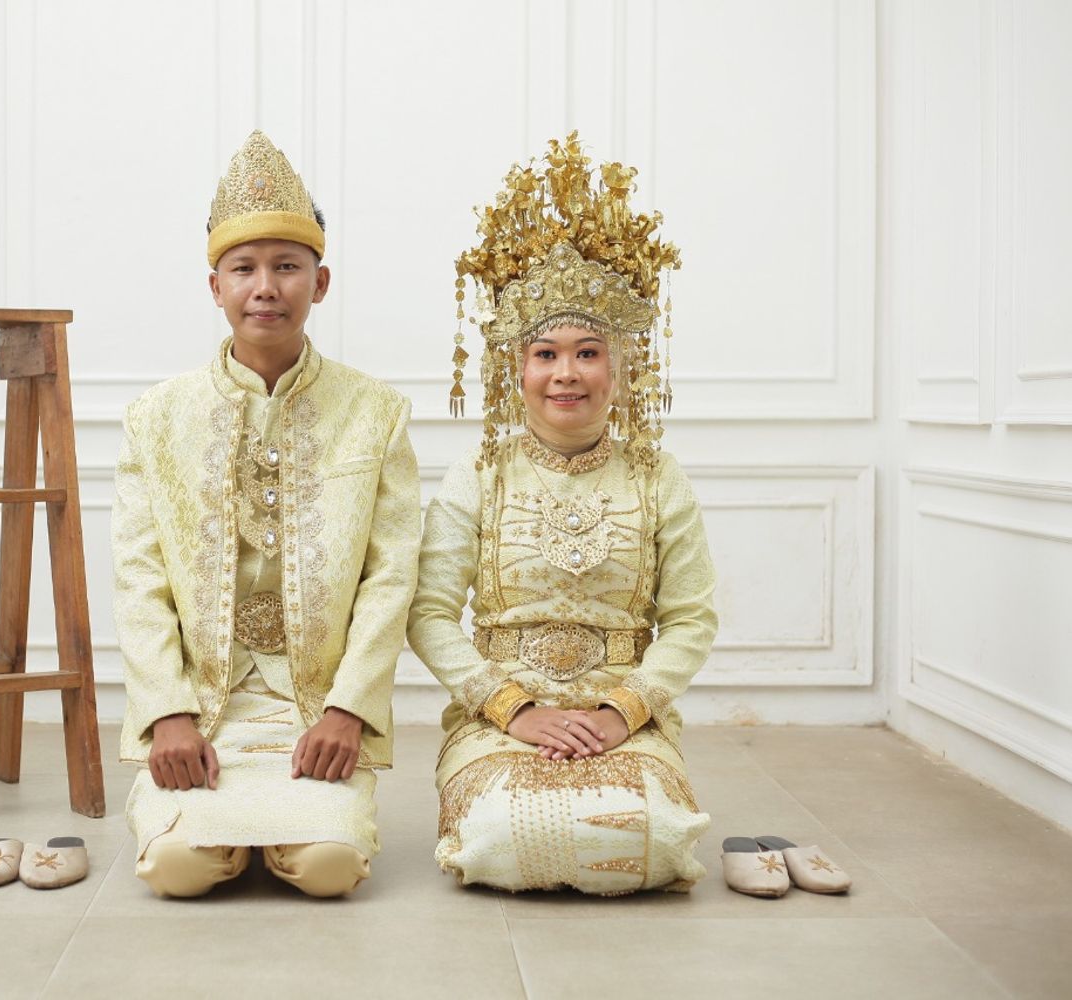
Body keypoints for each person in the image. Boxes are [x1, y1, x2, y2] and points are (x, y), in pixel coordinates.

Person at [112, 131, 420, 898]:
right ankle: (224, 822)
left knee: (327, 869)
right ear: (214, 286)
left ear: (321, 282)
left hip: (317, 706)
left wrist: (348, 711)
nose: (265, 288)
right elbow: (138, 580)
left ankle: (293, 823)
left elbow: (391, 577)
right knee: (178, 870)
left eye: (287, 266)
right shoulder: (156, 418)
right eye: (244, 268)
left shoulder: (374, 412)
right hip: (204, 707)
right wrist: (168, 715)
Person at [407, 134, 715, 894]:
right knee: (500, 835)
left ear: (622, 365)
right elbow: (429, 613)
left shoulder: (658, 476)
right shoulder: (479, 473)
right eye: (545, 353)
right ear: (516, 369)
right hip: (501, 717)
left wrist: (620, 712)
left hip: (624, 717)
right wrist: (512, 710)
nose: (566, 374)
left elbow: (691, 621)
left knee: (658, 840)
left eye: (588, 352)